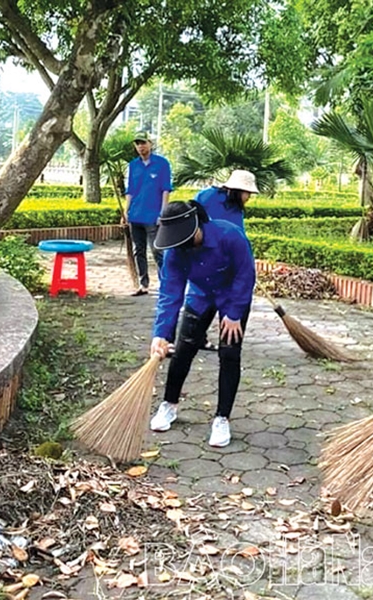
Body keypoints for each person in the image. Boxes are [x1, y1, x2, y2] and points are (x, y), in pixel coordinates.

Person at [149, 200, 255, 447]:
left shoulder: (230, 236)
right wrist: (161, 333)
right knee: (183, 349)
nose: (179, 245)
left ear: (196, 227)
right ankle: (169, 405)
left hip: (233, 297)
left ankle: (222, 419)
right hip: (200, 296)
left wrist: (234, 314)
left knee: (229, 354)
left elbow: (245, 275)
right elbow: (170, 292)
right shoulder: (175, 251)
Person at [188, 169, 259, 351]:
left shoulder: (236, 209)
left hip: (227, 269)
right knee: (200, 310)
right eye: (247, 193)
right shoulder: (206, 197)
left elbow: (239, 238)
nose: (248, 197)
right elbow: (192, 225)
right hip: (206, 264)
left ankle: (211, 337)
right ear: (235, 189)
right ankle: (194, 338)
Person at [125, 131, 173, 296]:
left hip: (153, 216)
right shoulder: (133, 165)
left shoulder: (162, 164)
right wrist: (126, 211)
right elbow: (130, 190)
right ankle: (143, 284)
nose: (140, 146)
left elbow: (166, 190)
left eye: (143, 143)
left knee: (157, 250)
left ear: (150, 144)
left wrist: (163, 212)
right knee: (139, 251)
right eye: (137, 143)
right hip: (135, 215)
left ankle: (166, 283)